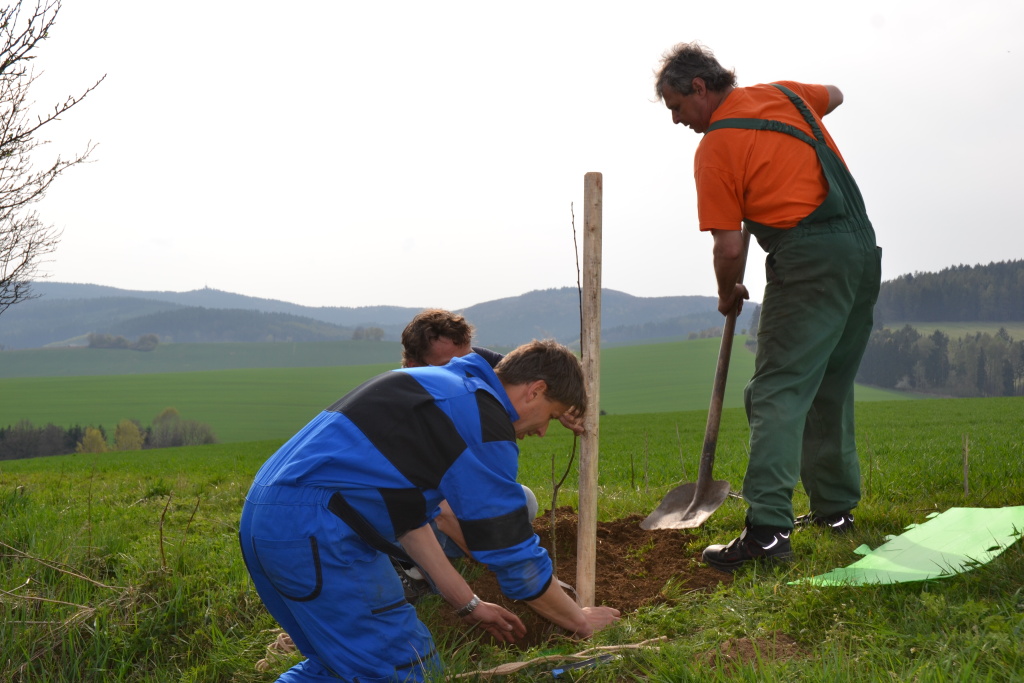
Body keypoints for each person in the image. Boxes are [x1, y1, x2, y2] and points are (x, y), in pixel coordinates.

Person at [239, 339, 620, 682]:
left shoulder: (444, 383)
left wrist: (467, 603)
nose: (542, 432)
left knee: (336, 665)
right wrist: (579, 620)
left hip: (268, 520)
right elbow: (510, 550)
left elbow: (411, 521)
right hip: (317, 534)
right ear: (535, 390)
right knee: (405, 671)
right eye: (551, 416)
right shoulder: (481, 420)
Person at [654, 42, 881, 572]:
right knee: (828, 386)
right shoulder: (787, 95)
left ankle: (768, 533)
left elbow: (730, 247)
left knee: (775, 392)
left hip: (807, 261)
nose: (676, 120)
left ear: (699, 88)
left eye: (676, 106)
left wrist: (727, 291)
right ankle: (835, 513)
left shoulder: (716, 148)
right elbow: (836, 94)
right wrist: (797, 120)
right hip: (859, 253)